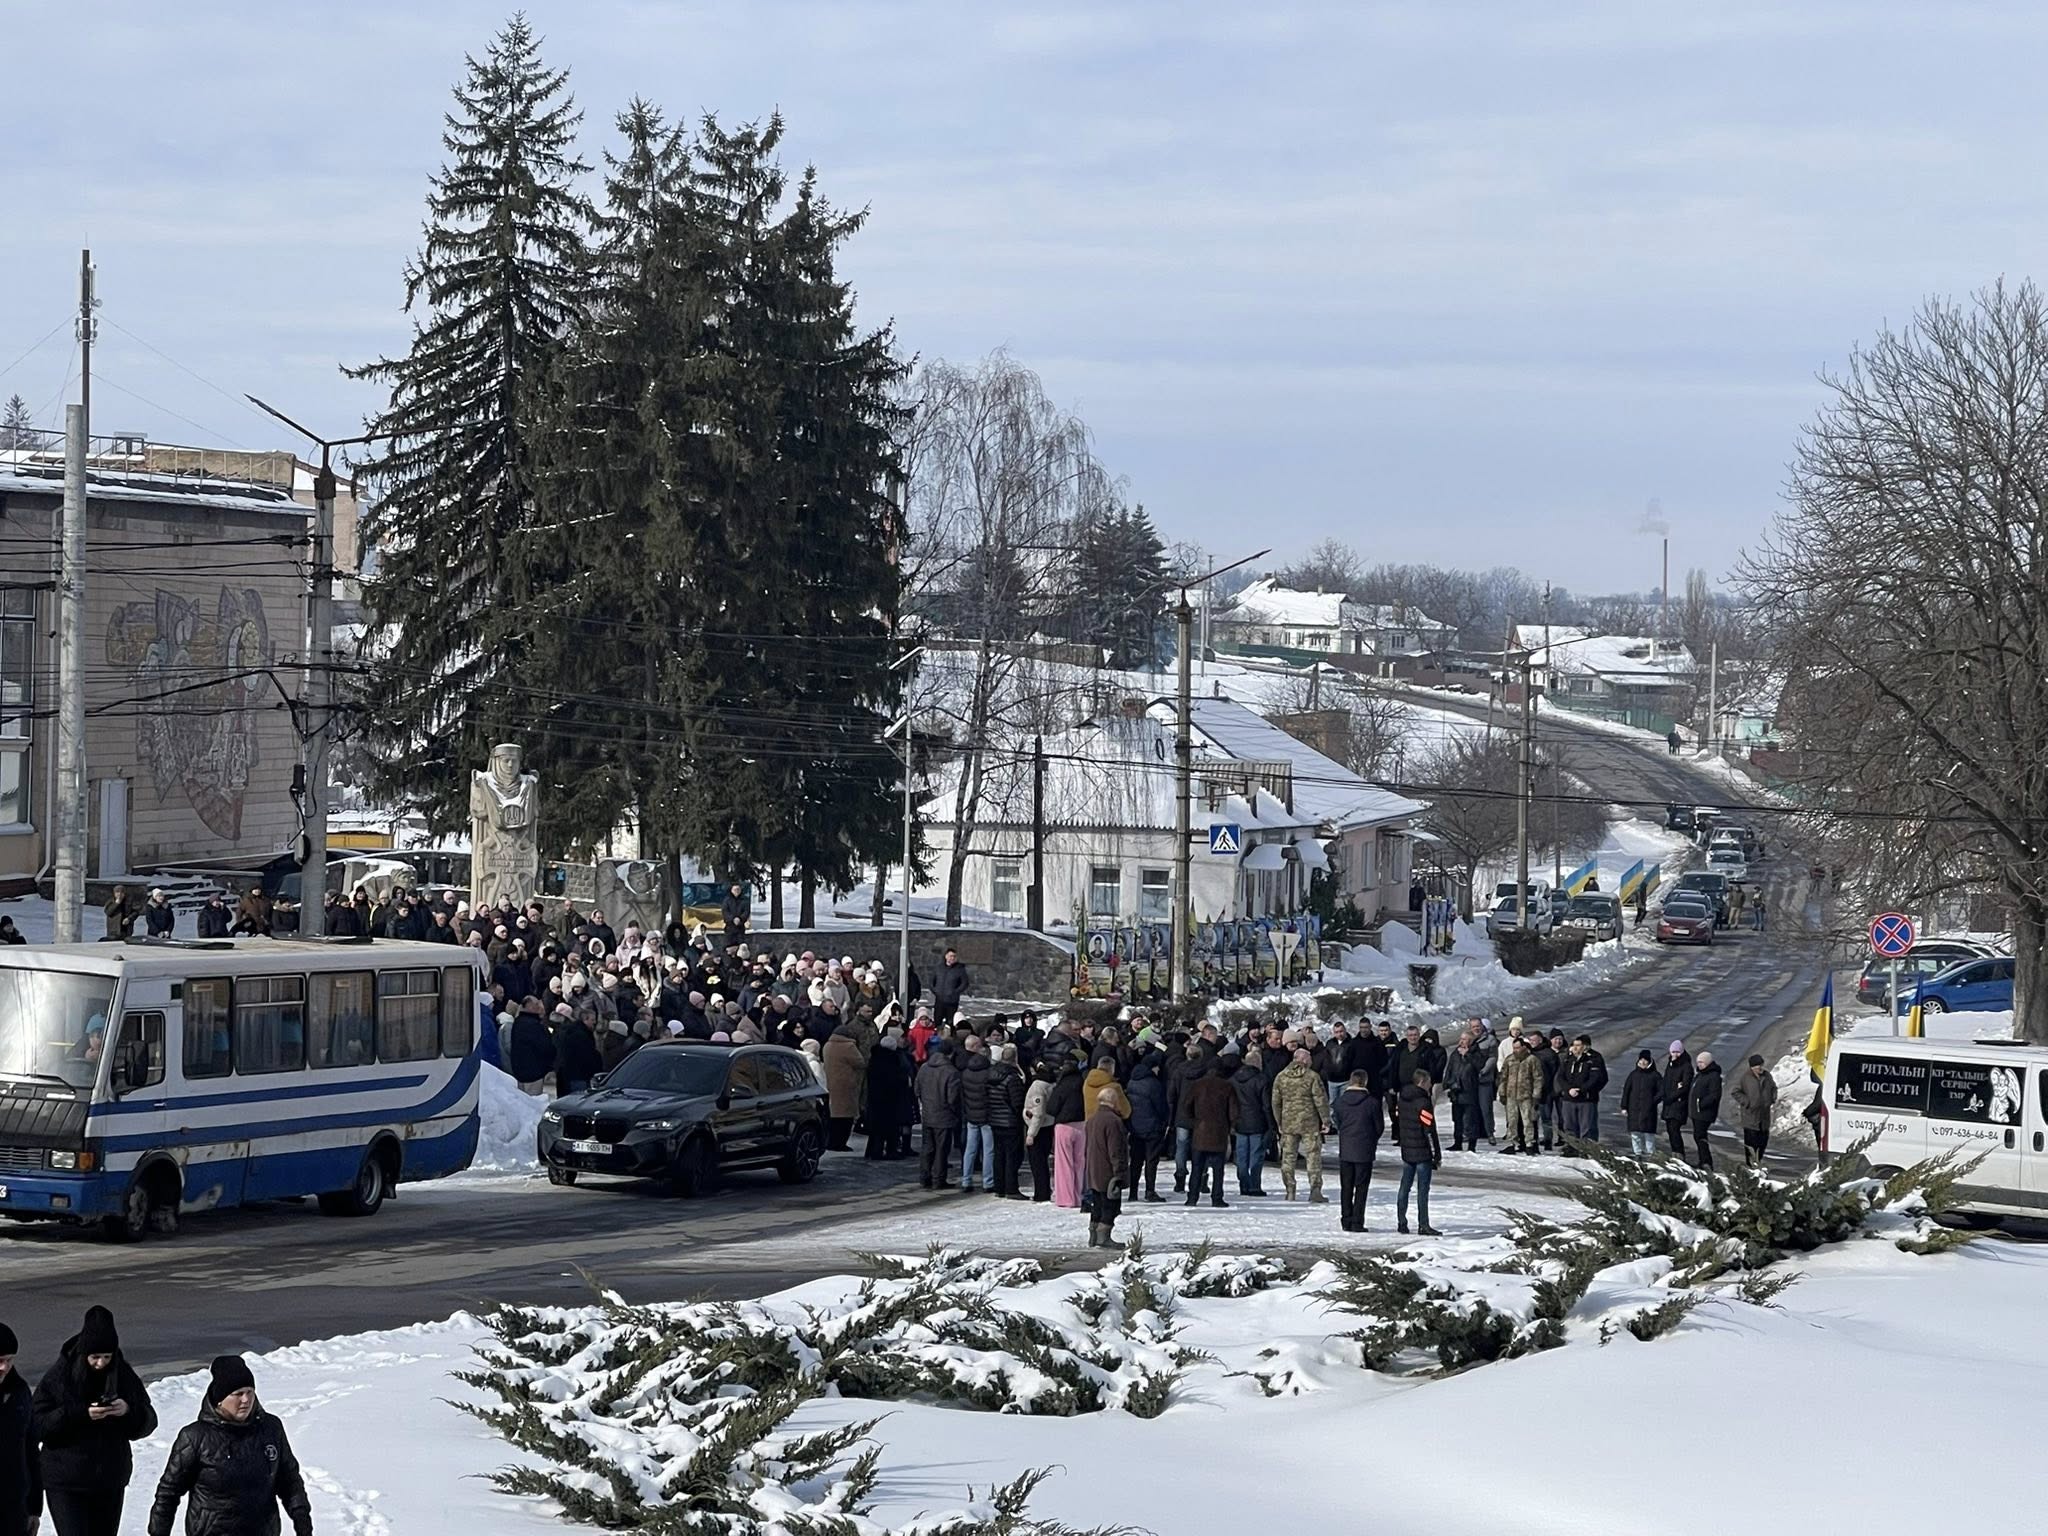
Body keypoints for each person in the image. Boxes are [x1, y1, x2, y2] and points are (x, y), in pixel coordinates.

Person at [146, 1356, 312, 1536]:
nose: (246, 1400)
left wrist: (302, 1519)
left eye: (250, 1392)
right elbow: (168, 1493)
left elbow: (289, 1479)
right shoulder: (195, 1437)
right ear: (220, 1399)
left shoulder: (270, 1428)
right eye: (238, 1394)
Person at [32, 1306, 156, 1536]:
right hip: (66, 1481)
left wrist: (127, 1411)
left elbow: (148, 1421)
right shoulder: (59, 1376)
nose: (100, 1363)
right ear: (83, 1354)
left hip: (109, 1480)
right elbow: (37, 1425)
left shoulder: (123, 1376)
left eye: (107, 1357)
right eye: (95, 1357)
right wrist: (79, 1414)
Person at [1269, 1048, 1330, 1203]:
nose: (1311, 1062)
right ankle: (1315, 1189)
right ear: (1303, 1059)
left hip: (1288, 1123)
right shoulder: (1312, 1077)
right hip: (1310, 1123)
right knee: (1313, 1156)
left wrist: (1279, 1122)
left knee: (1288, 1158)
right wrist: (1326, 1120)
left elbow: (1276, 1102)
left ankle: (1290, 1189)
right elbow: (1320, 1100)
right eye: (1309, 1059)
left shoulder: (1281, 1077)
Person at [1392, 1069, 1442, 1236]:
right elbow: (1428, 1129)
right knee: (1422, 1190)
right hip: (1422, 1151)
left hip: (1407, 1149)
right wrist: (1436, 1154)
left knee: (1404, 1187)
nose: (1430, 1086)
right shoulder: (1423, 1102)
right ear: (1422, 1082)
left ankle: (1401, 1221)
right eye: (1428, 1083)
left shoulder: (1402, 1099)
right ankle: (1423, 1224)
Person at [1333, 1070, 1384, 1232]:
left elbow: (1338, 1122)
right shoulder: (1372, 1103)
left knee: (1346, 1186)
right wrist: (1371, 1139)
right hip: (1365, 1149)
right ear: (1365, 1082)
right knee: (1361, 1187)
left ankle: (1346, 1219)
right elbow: (1379, 1127)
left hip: (1346, 1148)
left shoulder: (1340, 1102)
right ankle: (1357, 1221)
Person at [0, 1321, 38, 1536]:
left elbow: (31, 1450)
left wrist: (34, 1508)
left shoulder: (18, 1392)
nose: (4, 1367)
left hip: (14, 1506)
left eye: (9, 1360)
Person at [1183, 1059, 1236, 1208]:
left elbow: (1186, 1106)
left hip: (1200, 1131)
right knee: (1218, 1170)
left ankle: (1192, 1197)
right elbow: (1233, 1111)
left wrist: (1194, 1121)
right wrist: (1230, 1125)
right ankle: (1217, 1198)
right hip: (1219, 1132)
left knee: (1197, 1168)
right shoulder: (1227, 1086)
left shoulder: (1197, 1085)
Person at [1082, 1087, 1130, 1248]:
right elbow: (1116, 1149)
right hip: (1107, 1170)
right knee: (1110, 1204)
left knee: (1097, 1202)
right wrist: (1120, 1172)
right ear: (1114, 1101)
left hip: (1093, 1168)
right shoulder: (1113, 1121)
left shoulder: (1092, 1119)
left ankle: (1093, 1235)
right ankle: (1104, 1237)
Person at [915, 1038, 963, 1190]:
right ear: (950, 1054)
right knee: (941, 1150)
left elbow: (917, 1090)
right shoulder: (951, 1072)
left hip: (928, 1114)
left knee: (927, 1148)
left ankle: (924, 1177)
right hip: (944, 1116)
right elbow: (952, 1098)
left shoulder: (924, 1068)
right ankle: (938, 1179)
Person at [1124, 1049, 1169, 1203]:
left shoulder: (1131, 1081)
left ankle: (1133, 1192)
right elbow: (1161, 1106)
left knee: (1136, 1161)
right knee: (1151, 1160)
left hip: (1135, 1127)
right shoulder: (1153, 1083)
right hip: (1152, 1127)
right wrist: (1164, 1121)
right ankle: (1150, 1191)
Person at [1228, 1048, 1270, 1196]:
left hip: (1239, 1122)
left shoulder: (1233, 1079)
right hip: (1257, 1121)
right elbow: (1266, 1105)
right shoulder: (1261, 1079)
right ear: (1258, 1063)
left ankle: (1243, 1183)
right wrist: (1271, 1125)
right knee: (1256, 1155)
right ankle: (1254, 1185)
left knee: (1241, 1155)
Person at [988, 1044, 1027, 1198]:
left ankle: (999, 1186)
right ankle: (1011, 1188)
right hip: (1010, 1121)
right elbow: (1016, 1102)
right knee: (1012, 1156)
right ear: (1014, 1059)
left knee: (998, 1155)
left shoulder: (991, 1074)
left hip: (995, 1118)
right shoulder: (1012, 1077)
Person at [1557, 1034, 1608, 1151]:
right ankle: (1571, 1147)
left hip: (1586, 1099)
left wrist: (1582, 1090)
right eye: (1573, 1045)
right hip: (1569, 1098)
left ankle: (1588, 1150)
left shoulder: (1594, 1058)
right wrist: (1568, 1089)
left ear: (1585, 1046)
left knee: (1587, 1127)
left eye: (1578, 1045)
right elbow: (1560, 1076)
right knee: (1569, 1125)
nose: (1574, 1048)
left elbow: (1596, 1078)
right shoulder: (1568, 1058)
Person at [958, 1037, 996, 1193]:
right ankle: (988, 1182)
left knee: (970, 1149)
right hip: (986, 1116)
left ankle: (966, 1180)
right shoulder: (989, 1074)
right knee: (988, 1150)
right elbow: (990, 1096)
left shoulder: (965, 1073)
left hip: (971, 1115)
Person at [1496, 1034, 1543, 1153]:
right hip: (1511, 1095)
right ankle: (1513, 1143)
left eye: (1518, 1048)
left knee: (1528, 1121)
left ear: (1523, 1047)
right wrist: (1502, 1092)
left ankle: (1529, 1144)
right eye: (1514, 1048)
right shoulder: (1509, 1059)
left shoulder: (1532, 1060)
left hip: (1526, 1096)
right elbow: (1503, 1077)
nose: (1516, 1050)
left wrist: (1536, 1094)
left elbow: (1538, 1078)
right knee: (1512, 1121)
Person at [1731, 1054, 1778, 1168]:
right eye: (1757, 1066)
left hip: (1764, 1116)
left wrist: (1772, 1099)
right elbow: (1735, 1092)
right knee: (1751, 1143)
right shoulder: (1745, 1078)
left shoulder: (1767, 1076)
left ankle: (1758, 1161)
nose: (1760, 1068)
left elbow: (1774, 1088)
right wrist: (1747, 1102)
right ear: (1752, 1067)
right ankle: (1751, 1165)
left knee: (1763, 1141)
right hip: (1750, 1117)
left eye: (1761, 1065)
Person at [822, 1023, 863, 1151]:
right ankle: (840, 1143)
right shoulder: (849, 1046)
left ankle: (831, 1142)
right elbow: (860, 1062)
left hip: (831, 1083)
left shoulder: (827, 1045)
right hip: (846, 1084)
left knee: (833, 1116)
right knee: (846, 1117)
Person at [1444, 1030, 1485, 1152]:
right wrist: (1447, 1082)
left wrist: (1467, 1055)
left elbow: (1479, 1066)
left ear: (1471, 1041)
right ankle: (1457, 1142)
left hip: (1469, 1091)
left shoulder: (1476, 1053)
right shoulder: (1455, 1054)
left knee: (1470, 1119)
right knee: (1457, 1119)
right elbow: (1449, 1069)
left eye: (1465, 1039)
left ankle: (1472, 1145)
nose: (1461, 1042)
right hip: (1456, 1091)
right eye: (1461, 1039)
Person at [1023, 1061, 1058, 1201]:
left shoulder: (1038, 1087)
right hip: (1048, 1125)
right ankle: (1044, 1190)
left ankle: (1041, 1193)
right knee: (1042, 1161)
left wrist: (1031, 1134)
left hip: (1038, 1127)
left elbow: (1038, 1113)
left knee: (1037, 1163)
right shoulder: (1052, 1084)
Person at [1621, 1050, 1663, 1156]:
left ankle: (1651, 1155)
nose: (1643, 1062)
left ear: (1649, 1062)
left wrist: (1653, 1101)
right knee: (1635, 1133)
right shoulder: (1633, 1075)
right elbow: (1626, 1091)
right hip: (1634, 1108)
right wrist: (1624, 1106)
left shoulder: (1655, 1075)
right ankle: (1637, 1154)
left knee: (1648, 1134)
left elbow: (1662, 1091)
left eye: (1645, 1060)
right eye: (1641, 1060)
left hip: (1649, 1110)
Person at [1689, 1051, 1723, 1170]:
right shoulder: (1700, 1075)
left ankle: (1706, 1162)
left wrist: (1701, 1103)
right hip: (1696, 1112)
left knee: (1700, 1136)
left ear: (1708, 1062)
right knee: (1698, 1136)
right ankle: (1703, 1160)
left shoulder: (1713, 1076)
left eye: (1702, 1062)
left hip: (1704, 1113)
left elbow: (1714, 1095)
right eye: (1698, 1062)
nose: (1699, 1065)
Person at [1660, 1040, 1694, 1157]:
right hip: (1669, 1104)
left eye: (1677, 1052)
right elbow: (1665, 1082)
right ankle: (1675, 1152)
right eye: (1673, 1052)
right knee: (1670, 1129)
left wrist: (1672, 1096)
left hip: (1678, 1104)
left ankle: (1679, 1153)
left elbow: (1685, 1086)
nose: (1675, 1054)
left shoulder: (1686, 1066)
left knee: (1674, 1129)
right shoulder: (1670, 1065)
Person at [931, 948, 970, 1028]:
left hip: (952, 1001)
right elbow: (932, 981)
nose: (952, 958)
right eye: (950, 956)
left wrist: (955, 992)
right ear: (946, 956)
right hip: (939, 1000)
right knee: (937, 1022)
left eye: (954, 956)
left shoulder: (960, 969)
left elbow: (964, 983)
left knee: (950, 1023)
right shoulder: (939, 968)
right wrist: (935, 991)